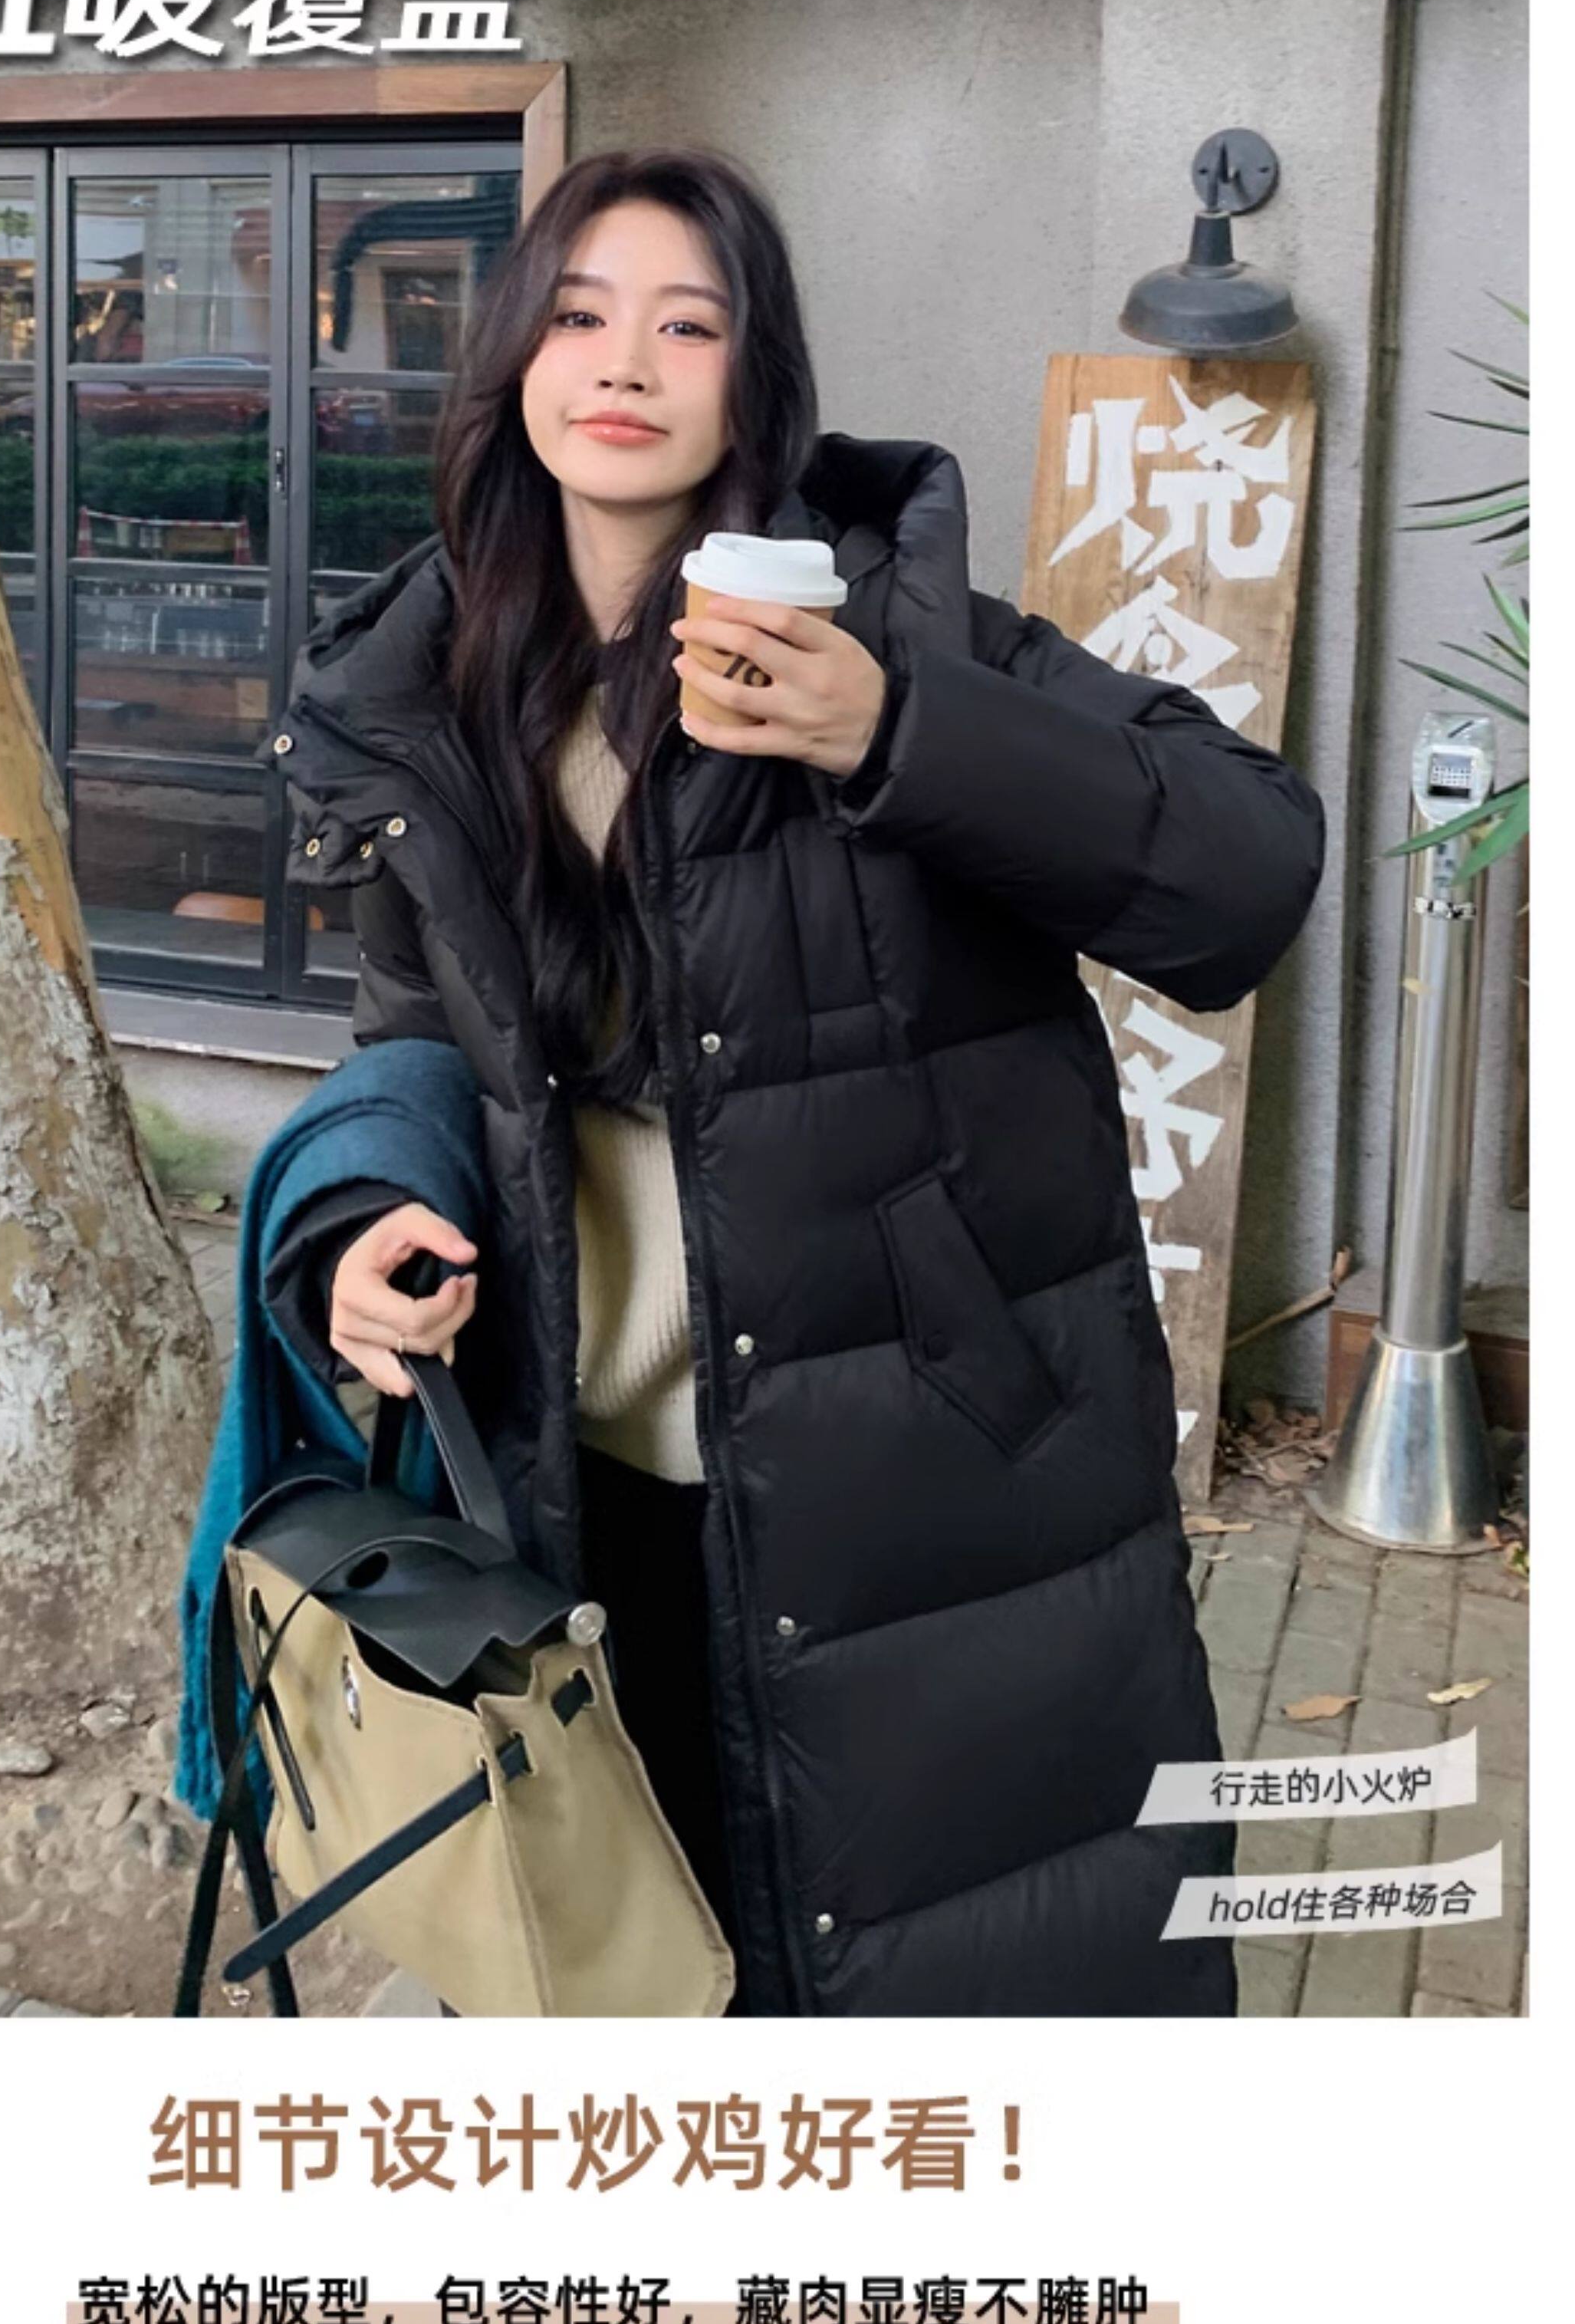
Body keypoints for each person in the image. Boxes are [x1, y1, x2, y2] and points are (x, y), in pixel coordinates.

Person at [270, 147, 1324, 2017]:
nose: (626, 361)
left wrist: (895, 730)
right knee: (641, 1974)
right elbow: (413, 1036)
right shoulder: (428, 692)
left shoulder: (900, 640)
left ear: (755, 383)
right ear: (512, 360)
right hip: (570, 1474)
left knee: (941, 1983)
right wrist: (363, 1218)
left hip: (917, 1486)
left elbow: (1247, 875)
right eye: (579, 315)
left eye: (689, 325)